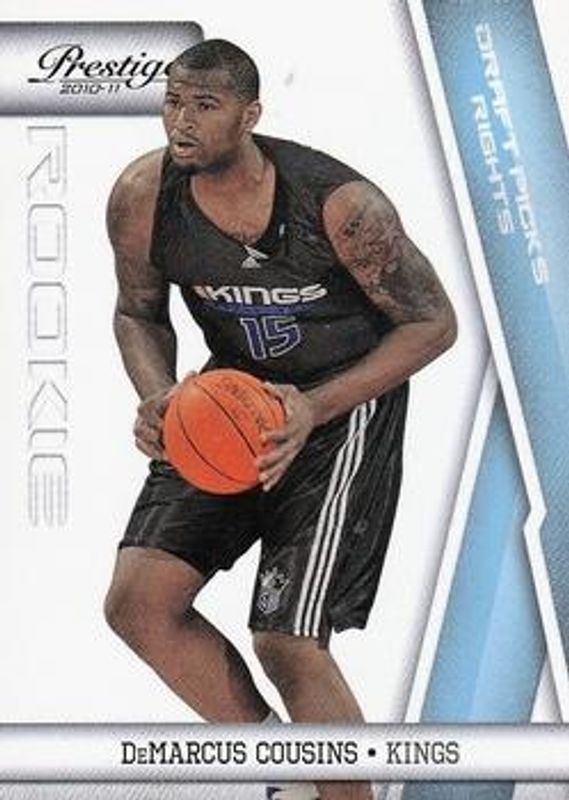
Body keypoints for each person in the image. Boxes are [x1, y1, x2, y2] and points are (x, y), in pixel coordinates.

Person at [104, 38, 457, 800]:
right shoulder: (142, 197)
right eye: (172, 102)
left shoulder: (341, 206)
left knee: (286, 640)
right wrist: (158, 394)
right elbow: (137, 312)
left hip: (340, 408)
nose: (181, 121)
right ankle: (288, 774)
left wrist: (314, 407)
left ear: (250, 115)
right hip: (229, 404)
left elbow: (433, 324)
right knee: (139, 604)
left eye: (204, 106)